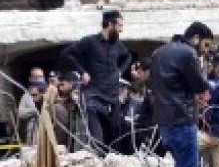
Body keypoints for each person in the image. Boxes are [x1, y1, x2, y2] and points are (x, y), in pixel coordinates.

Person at [150, 22, 214, 167]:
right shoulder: (187, 53)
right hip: (182, 119)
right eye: (205, 45)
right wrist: (204, 78)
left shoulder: (160, 52)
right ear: (196, 38)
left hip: (165, 120)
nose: (205, 50)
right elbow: (199, 85)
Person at [60, 10, 134, 152]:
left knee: (115, 132)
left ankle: (112, 159)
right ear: (110, 24)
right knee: (96, 132)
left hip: (112, 95)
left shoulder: (117, 44)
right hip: (94, 94)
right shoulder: (89, 41)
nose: (121, 30)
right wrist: (82, 72)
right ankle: (98, 155)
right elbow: (67, 54)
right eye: (119, 25)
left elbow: (128, 56)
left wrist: (120, 71)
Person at [52, 72, 88, 153]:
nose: (60, 88)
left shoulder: (80, 94)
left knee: (57, 109)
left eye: (62, 85)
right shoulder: (65, 97)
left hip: (78, 139)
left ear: (71, 83)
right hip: (71, 137)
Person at [17, 67, 49, 142]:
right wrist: (35, 110)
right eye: (35, 77)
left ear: (44, 78)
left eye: (40, 77)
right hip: (32, 135)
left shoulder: (49, 93)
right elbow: (21, 113)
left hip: (46, 134)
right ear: (30, 79)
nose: (38, 79)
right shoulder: (26, 95)